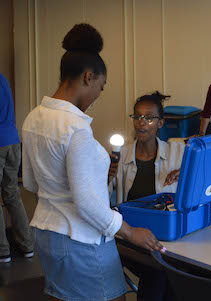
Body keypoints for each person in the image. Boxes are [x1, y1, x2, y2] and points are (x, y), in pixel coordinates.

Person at [22, 24, 164, 301]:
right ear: (89, 77)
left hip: (46, 234)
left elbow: (30, 181)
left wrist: (96, 180)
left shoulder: (34, 117)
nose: (98, 96)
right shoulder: (75, 127)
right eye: (100, 87)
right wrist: (131, 232)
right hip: (80, 240)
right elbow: (87, 205)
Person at [112, 91, 185, 301]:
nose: (141, 123)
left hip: (167, 238)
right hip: (129, 238)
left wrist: (191, 171)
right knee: (159, 270)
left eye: (149, 118)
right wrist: (106, 175)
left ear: (161, 123)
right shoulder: (121, 155)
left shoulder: (177, 151)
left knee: (171, 269)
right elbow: (102, 197)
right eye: (137, 117)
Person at [0, 73, 33, 263]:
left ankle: (2, 251)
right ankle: (27, 245)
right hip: (13, 141)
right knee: (12, 193)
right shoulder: (3, 78)